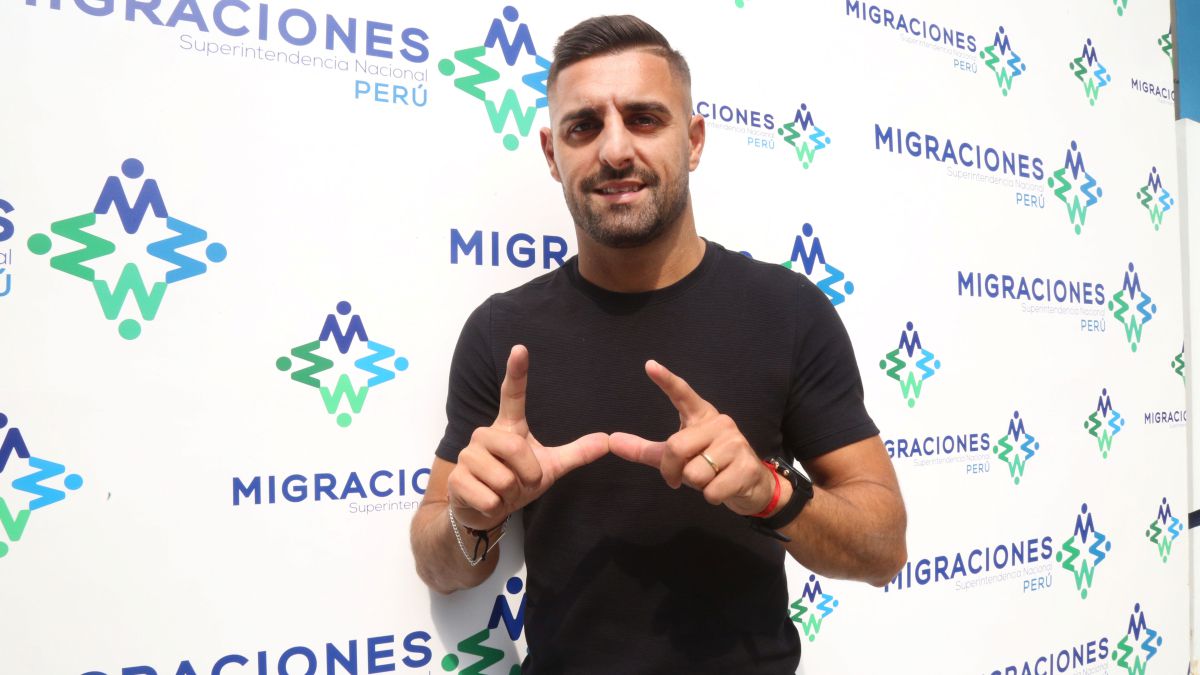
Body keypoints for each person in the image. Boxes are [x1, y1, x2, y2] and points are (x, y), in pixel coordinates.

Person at [410, 14, 907, 674]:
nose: (615, 150)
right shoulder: (502, 333)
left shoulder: (788, 310)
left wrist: (769, 492)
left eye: (644, 119)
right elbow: (439, 565)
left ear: (693, 140)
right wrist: (471, 518)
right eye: (583, 126)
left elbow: (883, 549)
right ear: (552, 155)